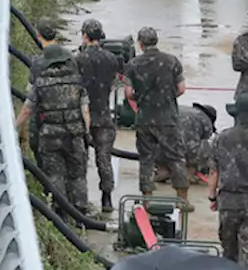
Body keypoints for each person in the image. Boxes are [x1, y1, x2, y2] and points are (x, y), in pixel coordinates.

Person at [16, 45, 92, 215]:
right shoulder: (76, 82)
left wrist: (15, 126)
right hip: (74, 136)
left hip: (50, 136)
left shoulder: (41, 84)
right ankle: (81, 211)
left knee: (55, 174)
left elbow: (27, 110)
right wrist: (86, 132)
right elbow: (85, 111)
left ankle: (60, 212)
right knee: (78, 174)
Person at [125, 26, 190, 205]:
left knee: (146, 159)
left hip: (144, 118)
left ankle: (147, 200)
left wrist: (142, 98)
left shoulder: (133, 64)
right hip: (168, 118)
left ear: (140, 43)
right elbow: (181, 89)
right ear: (156, 41)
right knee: (176, 157)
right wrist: (168, 97)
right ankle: (182, 200)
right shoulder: (172, 61)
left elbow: (129, 93)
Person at [76, 19, 122, 213]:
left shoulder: (78, 59)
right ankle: (107, 199)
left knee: (80, 159)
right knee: (104, 159)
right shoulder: (112, 59)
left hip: (82, 116)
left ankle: (81, 202)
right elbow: (116, 82)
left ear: (85, 36)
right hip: (104, 115)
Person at [211, 94, 248, 264]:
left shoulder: (222, 138)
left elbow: (214, 172)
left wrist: (212, 196)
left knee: (229, 252)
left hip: (229, 201)